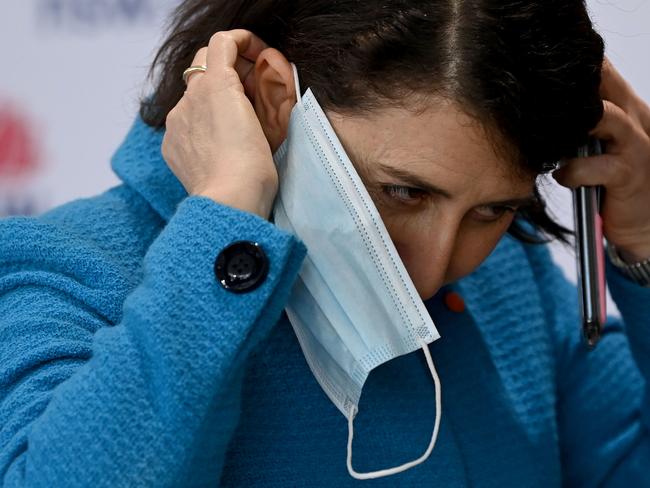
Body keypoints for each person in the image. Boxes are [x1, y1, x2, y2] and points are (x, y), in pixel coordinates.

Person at [1, 0, 649, 485]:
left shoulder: (510, 276)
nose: (432, 270)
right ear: (274, 95)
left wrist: (646, 240)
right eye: (403, 193)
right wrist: (222, 234)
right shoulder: (64, 267)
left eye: (492, 210)